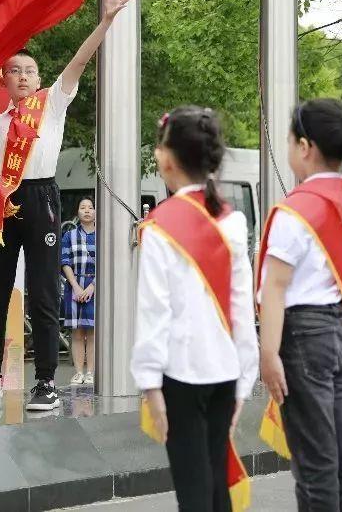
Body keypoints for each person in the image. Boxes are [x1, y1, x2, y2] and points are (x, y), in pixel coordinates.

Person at [0, 0, 134, 411]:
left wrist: (105, 21)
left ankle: (45, 381)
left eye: (30, 70)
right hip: (3, 205)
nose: (24, 76)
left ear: (40, 78)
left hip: (42, 198)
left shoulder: (52, 105)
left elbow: (79, 62)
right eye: (15, 71)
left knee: (44, 294)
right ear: (3, 79)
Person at [256, 98, 342, 511]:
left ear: (305, 147)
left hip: (303, 337)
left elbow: (275, 288)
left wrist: (268, 353)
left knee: (315, 466)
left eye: (291, 140)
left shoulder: (296, 211)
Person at [131, 106, 258, 512]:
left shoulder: (159, 227)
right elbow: (242, 304)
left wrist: (149, 385)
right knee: (215, 482)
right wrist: (244, 379)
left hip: (179, 375)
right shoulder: (233, 221)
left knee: (193, 488)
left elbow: (155, 312)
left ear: (167, 160)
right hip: (226, 372)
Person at [61, 196, 96, 385]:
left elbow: (106, 263)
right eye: (83, 207)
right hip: (73, 286)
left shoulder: (102, 235)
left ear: (96, 212)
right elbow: (64, 261)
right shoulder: (69, 235)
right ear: (78, 212)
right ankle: (79, 372)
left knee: (91, 332)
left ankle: (90, 372)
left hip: (95, 287)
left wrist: (91, 287)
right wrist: (75, 286)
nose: (87, 210)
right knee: (76, 332)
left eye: (90, 207)